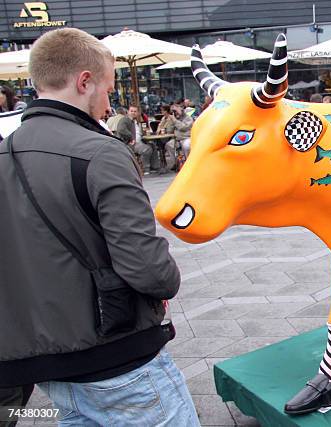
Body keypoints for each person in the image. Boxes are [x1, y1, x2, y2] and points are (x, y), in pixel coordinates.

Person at [0, 28, 199, 426]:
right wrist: (167, 268)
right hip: (117, 357)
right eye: (108, 90)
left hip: (44, 366)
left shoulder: (4, 153)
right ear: (84, 81)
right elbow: (148, 269)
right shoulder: (101, 152)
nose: (109, 105)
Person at [116, 105, 154, 174]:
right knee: (147, 149)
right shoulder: (125, 120)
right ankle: (146, 169)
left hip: (138, 141)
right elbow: (121, 130)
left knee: (153, 145)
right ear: (128, 112)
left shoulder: (134, 121)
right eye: (131, 111)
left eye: (135, 111)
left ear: (137, 113)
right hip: (128, 144)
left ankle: (155, 166)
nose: (133, 113)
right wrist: (131, 138)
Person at [157, 104, 176, 171]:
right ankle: (163, 162)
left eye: (162, 110)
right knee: (158, 143)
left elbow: (170, 129)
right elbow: (159, 127)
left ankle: (172, 163)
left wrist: (163, 129)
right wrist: (159, 130)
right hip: (164, 137)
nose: (161, 112)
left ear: (166, 111)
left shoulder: (171, 118)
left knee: (164, 144)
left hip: (171, 137)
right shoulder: (163, 118)